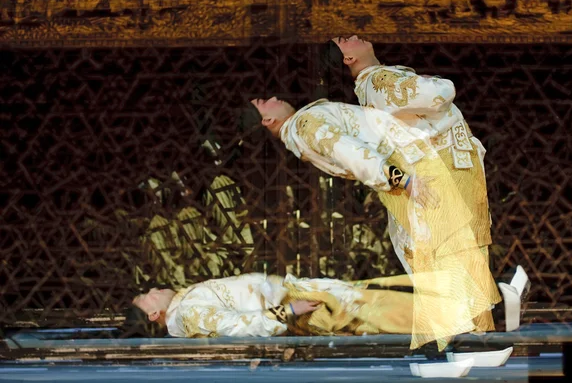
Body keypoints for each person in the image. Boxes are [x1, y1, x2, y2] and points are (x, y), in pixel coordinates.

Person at [248, 97, 502, 351]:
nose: (273, 98)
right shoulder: (304, 125)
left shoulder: (302, 128)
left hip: (406, 166)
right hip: (410, 167)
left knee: (429, 253)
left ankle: (469, 328)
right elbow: (347, 150)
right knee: (436, 250)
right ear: (267, 120)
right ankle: (472, 326)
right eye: (263, 102)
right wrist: (401, 180)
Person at [132, 272, 425, 338]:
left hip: (299, 296)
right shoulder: (187, 313)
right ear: (154, 314)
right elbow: (234, 326)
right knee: (390, 311)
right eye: (149, 295)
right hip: (302, 307)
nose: (155, 289)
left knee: (384, 299)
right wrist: (287, 311)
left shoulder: (185, 301)